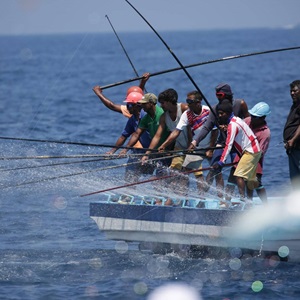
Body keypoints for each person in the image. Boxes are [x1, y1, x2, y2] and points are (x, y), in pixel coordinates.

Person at [188, 83, 249, 198]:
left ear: (228, 94)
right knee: (214, 167)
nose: (218, 97)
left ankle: (236, 198)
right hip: (223, 142)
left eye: (220, 94)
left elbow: (249, 122)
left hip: (238, 143)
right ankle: (203, 196)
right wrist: (195, 142)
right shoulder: (215, 109)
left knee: (236, 171)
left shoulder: (240, 104)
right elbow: (207, 127)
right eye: (216, 95)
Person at [157, 90, 218, 195]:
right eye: (187, 101)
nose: (188, 104)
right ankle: (189, 196)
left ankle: (223, 200)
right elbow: (176, 131)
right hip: (196, 147)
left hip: (211, 146)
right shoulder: (187, 114)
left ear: (198, 102)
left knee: (217, 172)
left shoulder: (208, 111)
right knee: (186, 171)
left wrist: (210, 149)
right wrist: (163, 145)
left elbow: (215, 131)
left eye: (190, 101)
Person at [213, 100, 261, 202]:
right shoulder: (236, 120)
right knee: (251, 180)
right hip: (254, 150)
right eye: (219, 113)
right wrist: (226, 129)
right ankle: (255, 202)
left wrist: (221, 162)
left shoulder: (232, 125)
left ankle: (243, 202)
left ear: (228, 113)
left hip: (250, 152)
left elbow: (228, 145)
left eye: (222, 114)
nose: (220, 116)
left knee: (238, 175)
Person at [225, 102, 271, 202]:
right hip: (240, 155)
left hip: (255, 159)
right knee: (232, 179)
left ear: (263, 118)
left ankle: (259, 204)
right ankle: (225, 203)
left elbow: (261, 152)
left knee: (254, 183)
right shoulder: (246, 121)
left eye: (256, 117)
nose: (252, 118)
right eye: (252, 115)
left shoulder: (265, 133)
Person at [105, 91, 154, 182]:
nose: (127, 108)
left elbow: (137, 135)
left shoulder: (146, 116)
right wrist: (112, 151)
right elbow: (123, 136)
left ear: (137, 105)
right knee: (130, 173)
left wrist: (125, 150)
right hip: (142, 151)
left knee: (150, 173)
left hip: (154, 151)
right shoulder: (132, 119)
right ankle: (129, 191)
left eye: (129, 105)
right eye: (127, 105)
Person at [283, 80, 300, 190]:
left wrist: (293, 139)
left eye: (295, 91)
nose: (292, 93)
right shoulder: (295, 105)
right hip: (292, 149)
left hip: (298, 147)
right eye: (291, 91)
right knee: (295, 179)